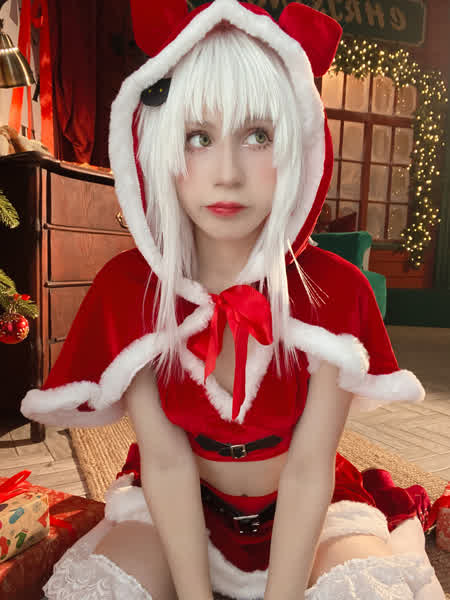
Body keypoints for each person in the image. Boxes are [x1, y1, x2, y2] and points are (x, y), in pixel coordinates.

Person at [21, 1, 445, 599]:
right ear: (158, 146)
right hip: (178, 506)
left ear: (299, 145)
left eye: (258, 136)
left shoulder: (337, 291)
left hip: (312, 510)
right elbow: (166, 462)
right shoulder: (129, 290)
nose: (226, 173)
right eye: (198, 137)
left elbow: (309, 468)